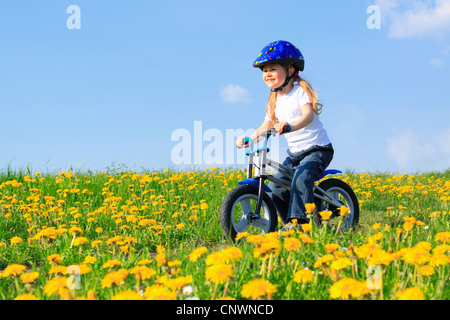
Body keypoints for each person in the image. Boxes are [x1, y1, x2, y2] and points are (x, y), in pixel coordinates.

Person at [235, 40, 334, 232]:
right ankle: (289, 223)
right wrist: (251, 138)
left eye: (273, 69)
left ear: (290, 71)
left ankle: (299, 223)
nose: (268, 74)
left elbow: (308, 115)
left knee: (300, 178)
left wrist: (291, 126)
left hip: (318, 149)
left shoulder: (300, 92)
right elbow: (267, 124)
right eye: (264, 70)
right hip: (295, 153)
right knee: (278, 186)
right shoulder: (275, 100)